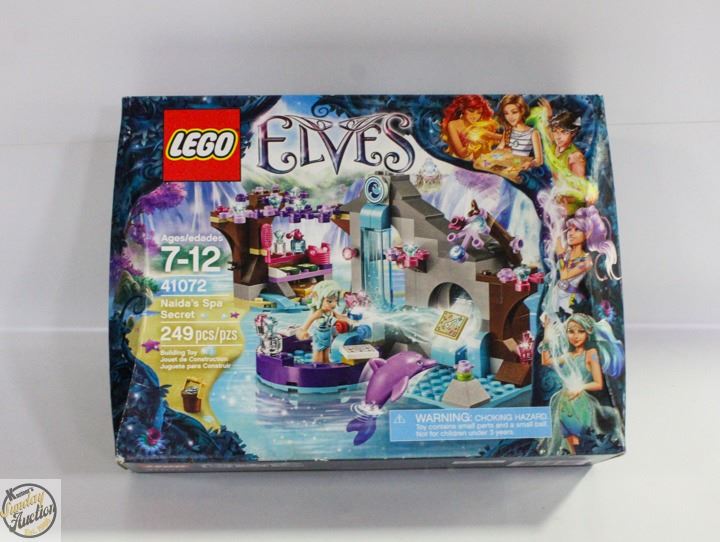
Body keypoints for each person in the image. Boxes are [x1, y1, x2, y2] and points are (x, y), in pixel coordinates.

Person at [541, 313, 624, 454]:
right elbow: (546, 361)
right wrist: (547, 338)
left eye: (581, 331)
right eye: (571, 331)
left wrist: (580, 388)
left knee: (577, 433)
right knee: (566, 434)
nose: (576, 336)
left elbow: (598, 383)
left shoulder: (591, 354)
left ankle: (579, 451)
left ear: (588, 332)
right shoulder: (568, 355)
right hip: (563, 401)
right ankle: (572, 453)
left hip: (581, 402)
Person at [295, 280, 352, 363]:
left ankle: (326, 365)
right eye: (329, 301)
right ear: (320, 300)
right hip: (319, 336)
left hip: (328, 335)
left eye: (336, 301)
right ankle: (317, 367)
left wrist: (351, 320)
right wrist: (303, 332)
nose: (334, 304)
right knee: (318, 355)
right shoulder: (318, 313)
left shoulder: (330, 312)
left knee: (326, 354)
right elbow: (307, 323)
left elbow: (340, 317)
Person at [441, 95, 501, 160]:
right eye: (471, 111)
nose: (474, 116)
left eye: (479, 113)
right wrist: (471, 145)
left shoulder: (478, 125)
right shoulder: (453, 125)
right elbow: (461, 153)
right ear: (463, 109)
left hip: (478, 160)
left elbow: (499, 137)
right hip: (458, 160)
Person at [496, 95, 543, 169]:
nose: (510, 117)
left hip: (521, 169)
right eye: (506, 113)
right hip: (505, 167)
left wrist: (530, 163)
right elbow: (499, 149)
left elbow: (539, 160)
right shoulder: (508, 130)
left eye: (514, 112)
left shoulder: (533, 133)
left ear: (522, 111)